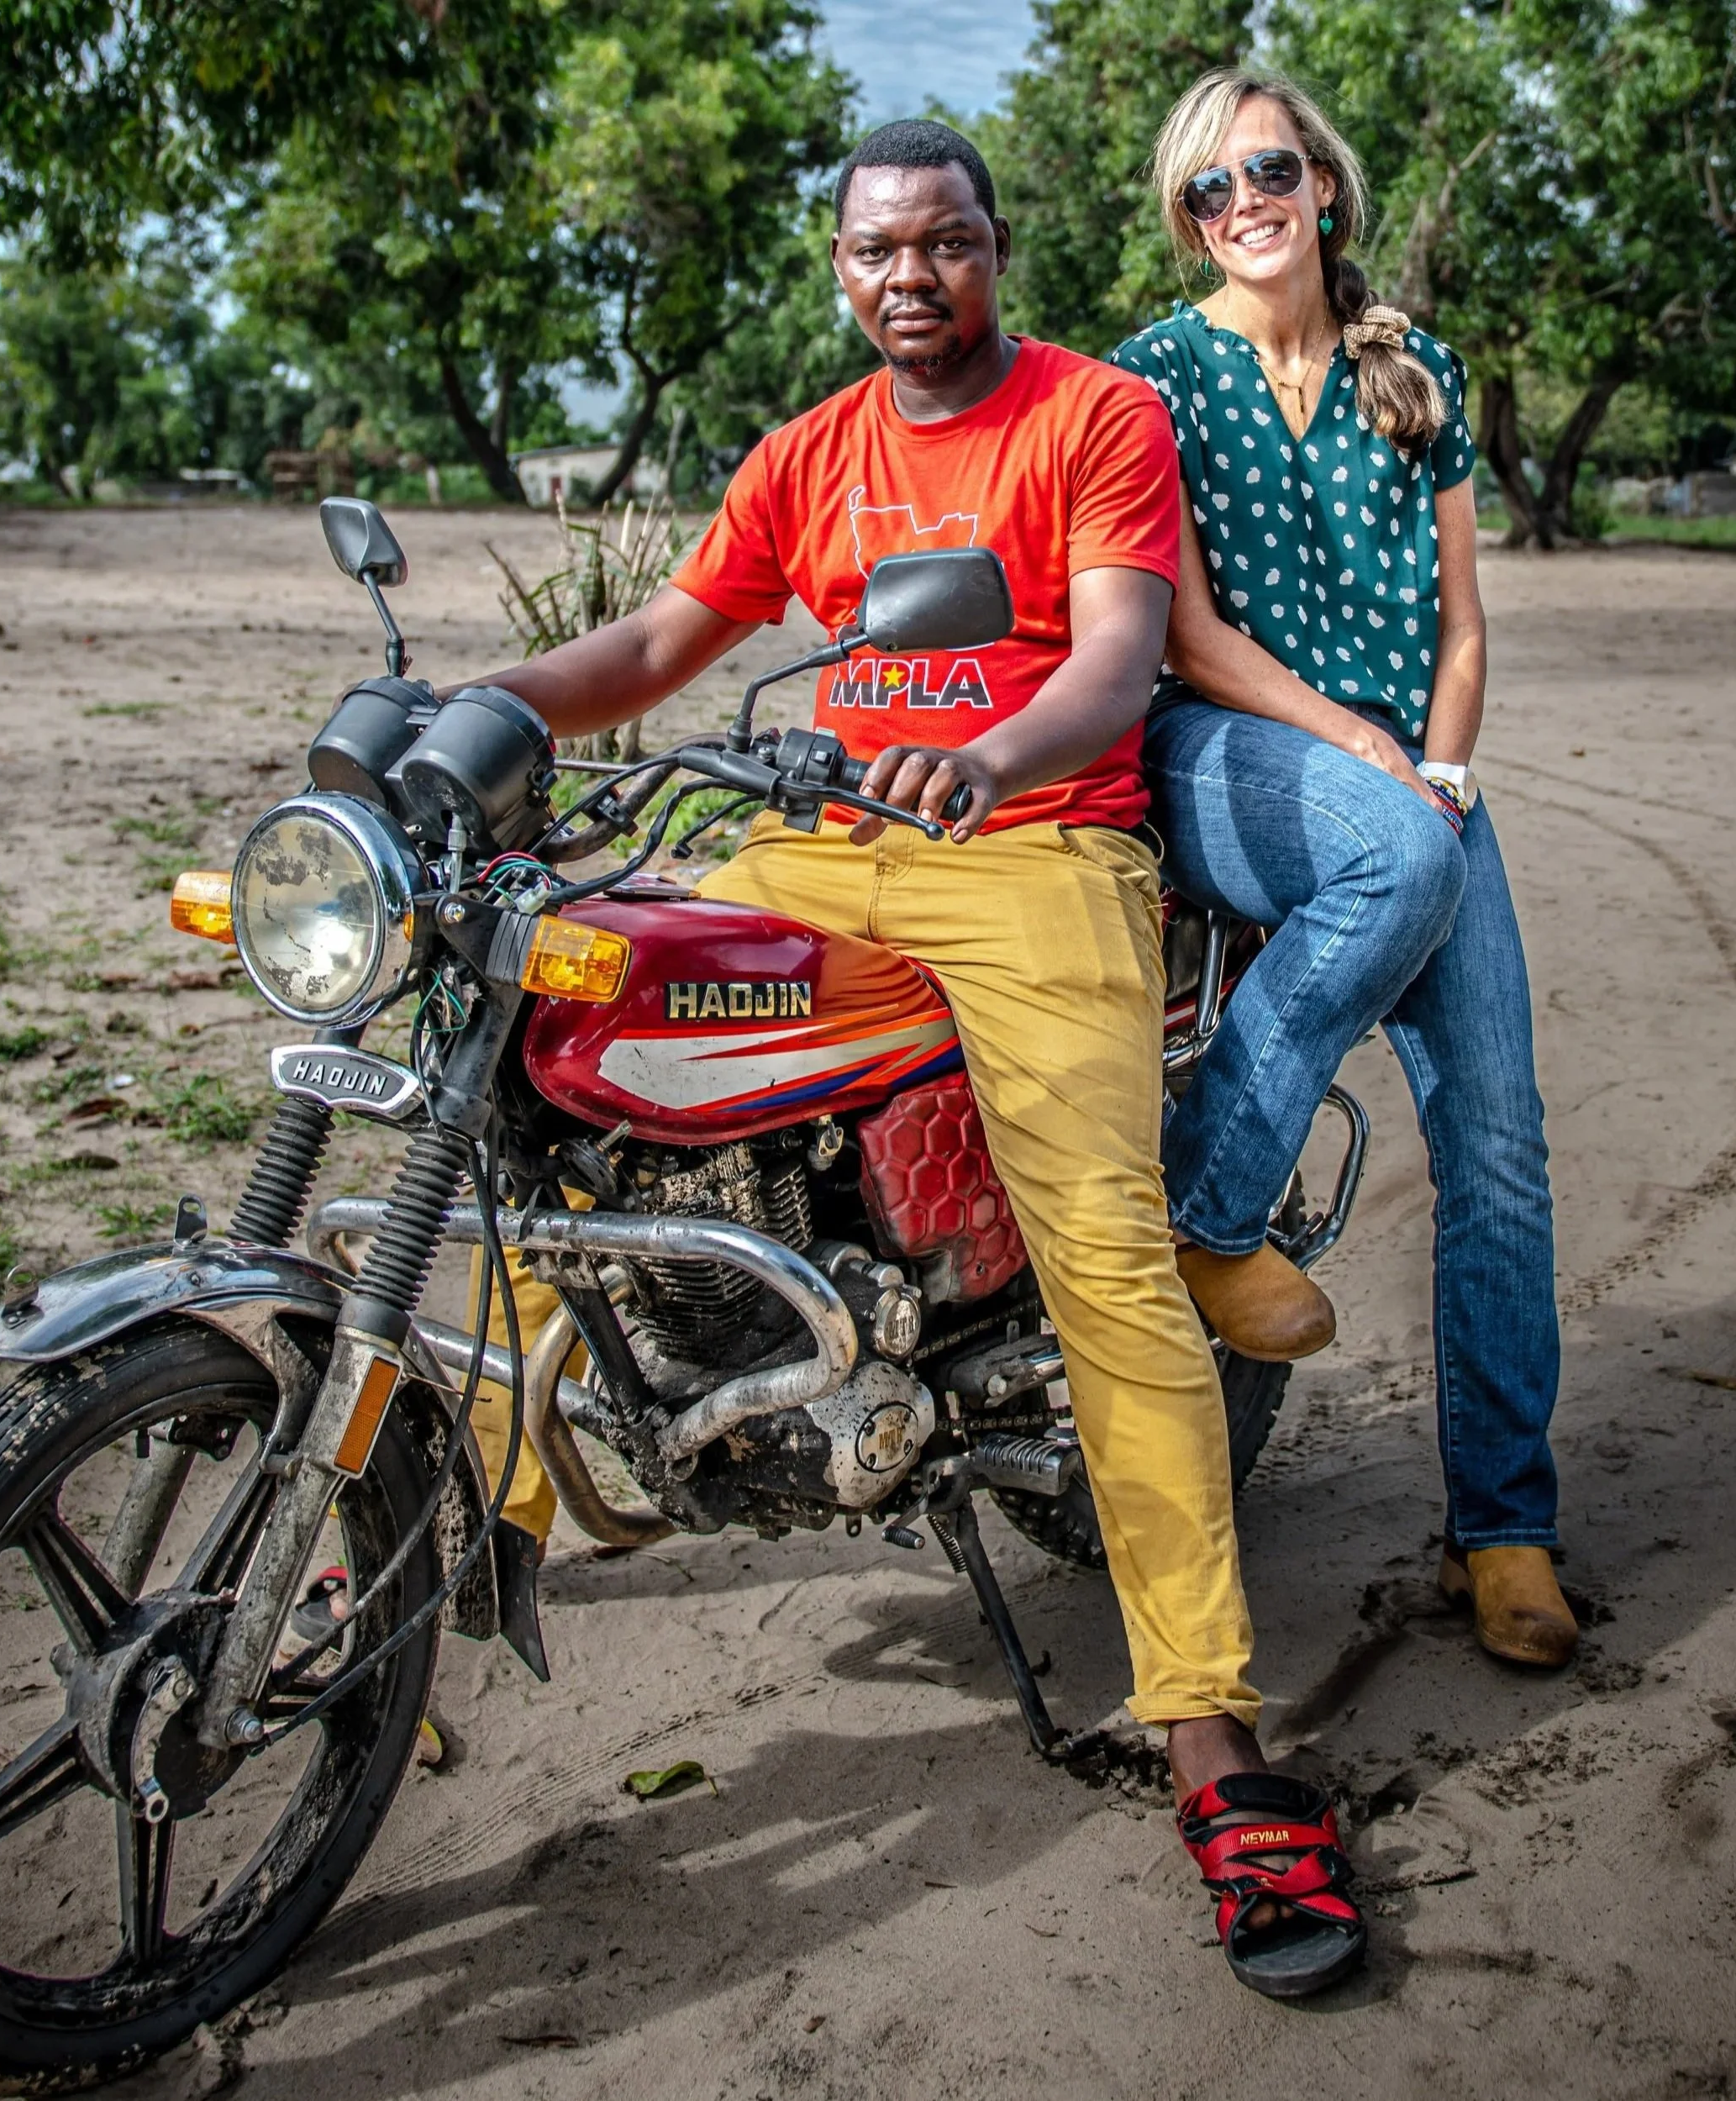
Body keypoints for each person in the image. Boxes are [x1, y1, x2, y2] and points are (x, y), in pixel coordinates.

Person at [459, 117, 1366, 1998]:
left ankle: (1207, 1726)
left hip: (1037, 845)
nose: (906, 276)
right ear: (840, 266)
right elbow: (650, 642)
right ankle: (440, 1549)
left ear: (992, 249)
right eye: (875, 249)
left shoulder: (1092, 415)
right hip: (827, 841)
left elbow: (1117, 656)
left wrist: (994, 758)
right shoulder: (805, 450)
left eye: (940, 244)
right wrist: (468, 705)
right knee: (532, 1068)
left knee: (1108, 1257)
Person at [1111, 71, 1574, 1671]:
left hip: (1407, 781)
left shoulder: (1415, 368)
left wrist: (1437, 770)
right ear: (1188, 220)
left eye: (1267, 171)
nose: (1240, 202)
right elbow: (1181, 628)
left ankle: (1505, 1526)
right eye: (1205, 189)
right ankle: (1212, 1208)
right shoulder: (1155, 376)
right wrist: (1363, 757)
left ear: (1322, 187)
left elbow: (1460, 627)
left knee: (1501, 1153)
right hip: (1228, 747)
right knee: (1392, 846)